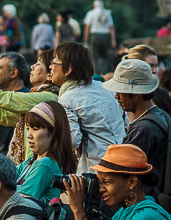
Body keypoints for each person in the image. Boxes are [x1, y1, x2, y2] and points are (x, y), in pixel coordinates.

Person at [0, 49, 58, 164]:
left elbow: (1, 98)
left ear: (50, 74)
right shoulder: (36, 96)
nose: (32, 67)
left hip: (36, 166)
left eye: (38, 64)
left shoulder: (46, 98)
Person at [51, 42, 125, 173]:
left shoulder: (68, 98)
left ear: (68, 70)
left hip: (97, 169)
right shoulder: (105, 87)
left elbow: (72, 140)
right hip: (122, 160)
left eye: (54, 62)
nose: (50, 67)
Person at [104, 60, 169, 190]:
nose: (116, 96)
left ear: (136, 94)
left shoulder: (143, 130)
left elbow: (123, 176)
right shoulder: (161, 115)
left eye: (120, 91)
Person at [17, 102, 77, 204]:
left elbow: (18, 201)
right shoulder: (30, 162)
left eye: (35, 129)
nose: (29, 135)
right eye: (28, 128)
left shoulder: (45, 165)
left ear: (53, 133)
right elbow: (6, 176)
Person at [83, 0, 116, 75]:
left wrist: (85, 39)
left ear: (94, 5)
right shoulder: (107, 13)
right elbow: (111, 27)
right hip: (105, 36)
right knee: (105, 57)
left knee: (94, 56)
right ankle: (104, 74)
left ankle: (95, 74)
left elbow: (87, 27)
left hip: (95, 36)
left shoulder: (90, 13)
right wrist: (113, 40)